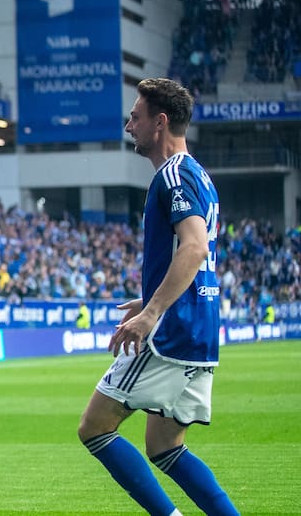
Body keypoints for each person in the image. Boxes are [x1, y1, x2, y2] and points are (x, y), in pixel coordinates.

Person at [77, 78, 238, 516]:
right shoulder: (198, 174)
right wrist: (147, 297)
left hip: (171, 332)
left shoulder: (173, 174)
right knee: (165, 445)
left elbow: (194, 246)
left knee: (95, 428)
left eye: (136, 116)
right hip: (200, 329)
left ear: (159, 121)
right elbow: (191, 250)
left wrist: (153, 312)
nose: (129, 124)